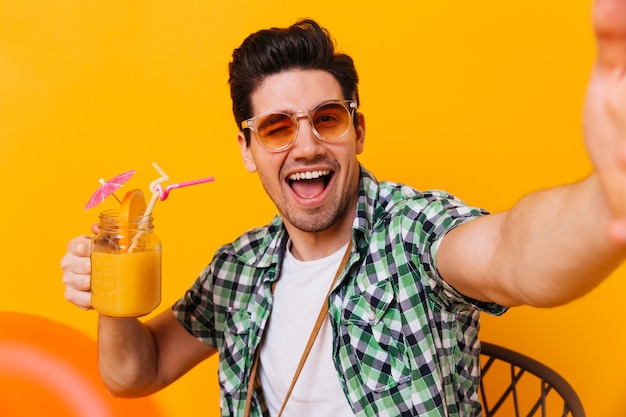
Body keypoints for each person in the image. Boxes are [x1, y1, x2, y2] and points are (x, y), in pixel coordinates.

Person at [61, 2, 626, 416]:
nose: (306, 146)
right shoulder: (239, 270)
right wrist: (112, 293)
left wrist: (608, 195)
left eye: (326, 119)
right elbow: (137, 372)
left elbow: (513, 253)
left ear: (356, 130)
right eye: (277, 127)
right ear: (247, 150)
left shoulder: (411, 234)